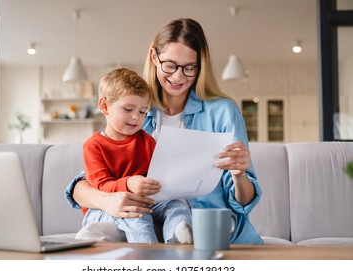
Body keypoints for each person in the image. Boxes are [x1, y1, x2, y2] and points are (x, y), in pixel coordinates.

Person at [65, 18, 263, 244]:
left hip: (201, 222)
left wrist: (239, 175)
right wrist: (106, 201)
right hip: (146, 218)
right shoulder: (136, 109)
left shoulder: (222, 112)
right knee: (106, 231)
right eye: (170, 65)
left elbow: (244, 202)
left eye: (189, 68)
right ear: (154, 58)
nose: (178, 77)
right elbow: (84, 184)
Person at [81, 67, 192, 243]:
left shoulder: (147, 140)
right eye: (128, 109)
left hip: (143, 201)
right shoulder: (94, 146)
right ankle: (149, 258)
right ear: (104, 106)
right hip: (104, 209)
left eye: (142, 112)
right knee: (136, 215)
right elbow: (101, 186)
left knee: (177, 205)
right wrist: (129, 183)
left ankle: (176, 239)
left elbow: (160, 172)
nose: (136, 117)